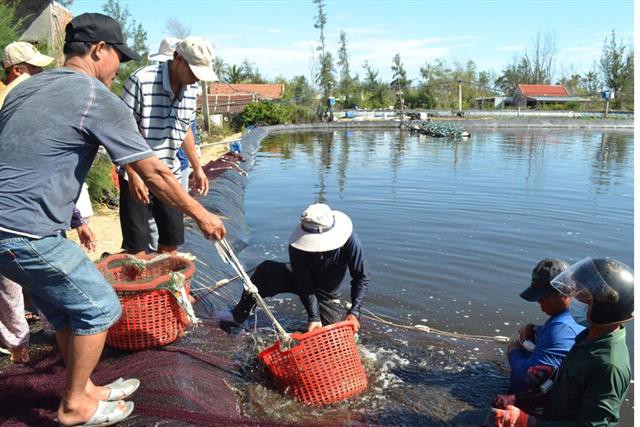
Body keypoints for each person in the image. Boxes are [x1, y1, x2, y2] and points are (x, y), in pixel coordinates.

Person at [0, 13, 225, 427]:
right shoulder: (94, 96)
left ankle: (83, 389)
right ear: (99, 50)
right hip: (24, 233)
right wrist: (201, 214)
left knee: (68, 311)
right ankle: (73, 407)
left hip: (17, 232)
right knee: (100, 308)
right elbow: (155, 172)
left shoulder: (22, 88)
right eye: (117, 56)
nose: (119, 67)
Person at [491, 257, 632, 427]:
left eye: (582, 296)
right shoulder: (588, 337)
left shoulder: (610, 365)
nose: (574, 298)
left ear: (604, 308)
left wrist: (528, 422)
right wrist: (518, 399)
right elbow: (558, 380)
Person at [118, 35, 215, 255]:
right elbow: (121, 132)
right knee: (138, 250)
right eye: (193, 72)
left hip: (168, 176)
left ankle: (166, 286)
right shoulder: (141, 81)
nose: (194, 79)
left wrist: (197, 167)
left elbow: (184, 129)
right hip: (137, 175)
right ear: (178, 59)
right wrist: (132, 174)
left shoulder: (192, 90)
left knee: (171, 241)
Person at [218, 203, 369, 332]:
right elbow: (304, 283)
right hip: (299, 278)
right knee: (264, 271)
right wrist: (313, 317)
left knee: (333, 335)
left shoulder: (350, 241)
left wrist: (354, 312)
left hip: (326, 292)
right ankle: (238, 315)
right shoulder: (297, 246)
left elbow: (361, 277)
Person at [507, 259, 585, 395]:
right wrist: (538, 331)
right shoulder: (578, 314)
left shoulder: (561, 329)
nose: (538, 301)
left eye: (542, 297)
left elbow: (529, 376)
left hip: (540, 408)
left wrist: (514, 352)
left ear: (563, 292)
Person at [0, 41, 54, 107]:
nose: (42, 70)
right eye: (34, 66)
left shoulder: (26, 90)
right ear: (17, 70)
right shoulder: (3, 97)